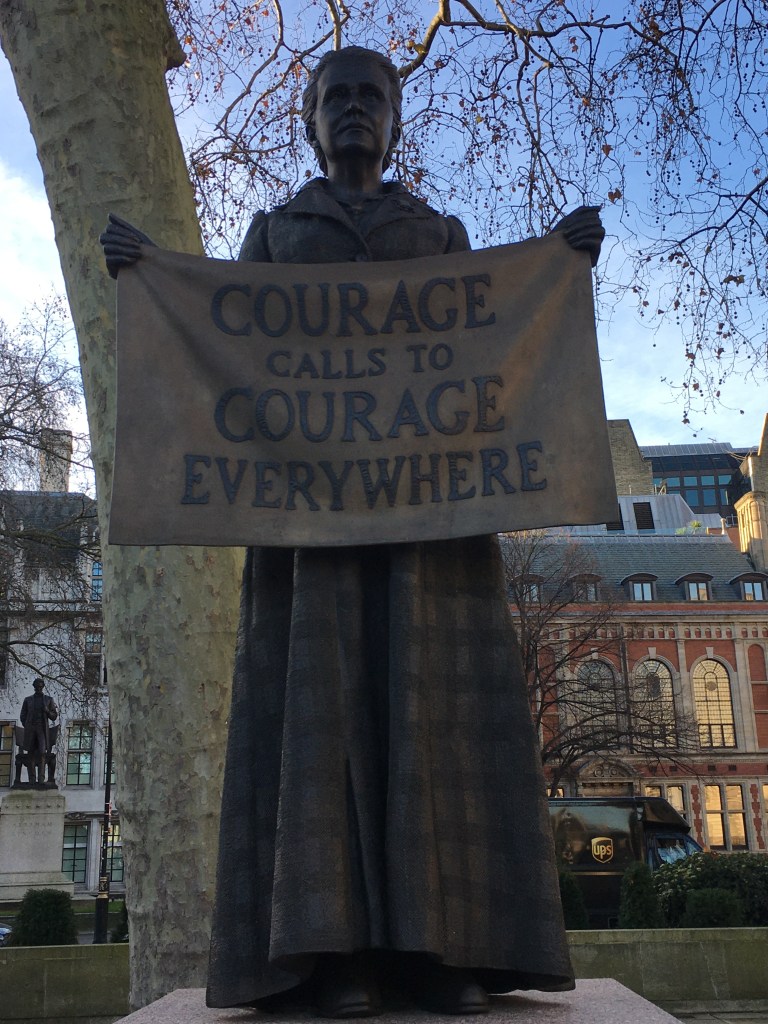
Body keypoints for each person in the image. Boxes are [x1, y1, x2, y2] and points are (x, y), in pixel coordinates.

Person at [102, 45, 604, 1019]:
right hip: (310, 545)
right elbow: (216, 357)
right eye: (336, 97)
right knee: (322, 728)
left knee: (434, 725)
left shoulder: (437, 229)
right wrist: (149, 278)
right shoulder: (275, 234)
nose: (354, 110)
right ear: (310, 119)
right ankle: (334, 957)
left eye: (372, 96)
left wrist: (558, 259)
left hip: (433, 538)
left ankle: (442, 949)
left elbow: (492, 346)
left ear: (396, 116)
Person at [19, 678, 58, 786]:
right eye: (37, 686)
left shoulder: (48, 699)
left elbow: (54, 716)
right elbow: (23, 714)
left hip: (42, 729)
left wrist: (47, 711)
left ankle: (41, 778)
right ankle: (32, 778)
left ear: (43, 687)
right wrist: (26, 725)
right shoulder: (28, 700)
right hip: (31, 728)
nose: (39, 688)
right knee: (30, 752)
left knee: (42, 752)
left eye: (41, 686)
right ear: (34, 687)